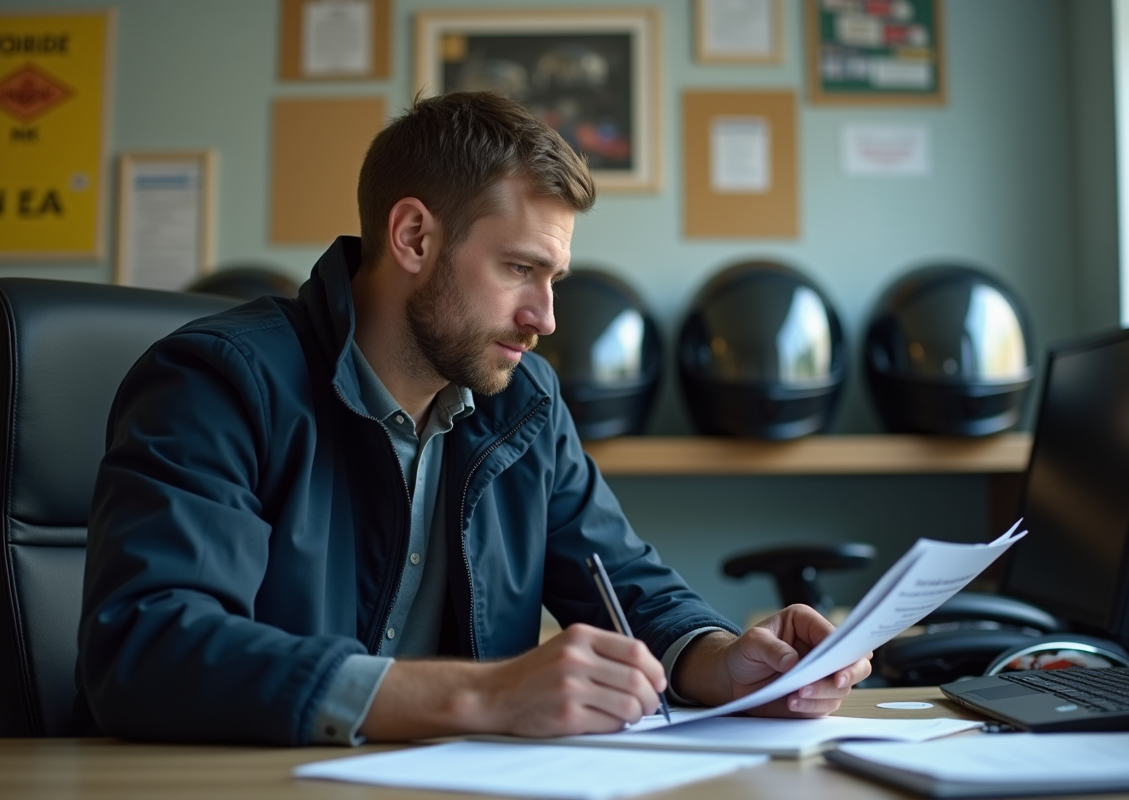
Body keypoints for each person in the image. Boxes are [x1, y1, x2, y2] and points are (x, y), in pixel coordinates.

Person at [75, 92, 871, 745]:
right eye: (520, 269)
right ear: (414, 236)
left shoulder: (525, 403)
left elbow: (631, 589)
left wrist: (726, 659)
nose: (547, 317)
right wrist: (482, 696)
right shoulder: (220, 380)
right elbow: (151, 646)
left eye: (555, 277)